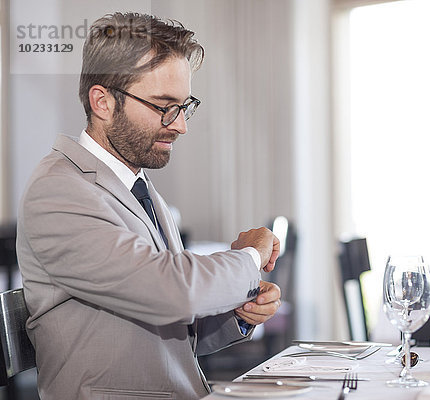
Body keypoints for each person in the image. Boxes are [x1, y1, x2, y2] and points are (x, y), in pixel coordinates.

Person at [16, 12, 281, 400]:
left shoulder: (137, 185)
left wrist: (236, 315)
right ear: (102, 101)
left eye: (183, 106)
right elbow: (175, 291)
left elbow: (172, 332)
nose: (180, 125)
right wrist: (250, 258)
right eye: (163, 105)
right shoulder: (58, 191)